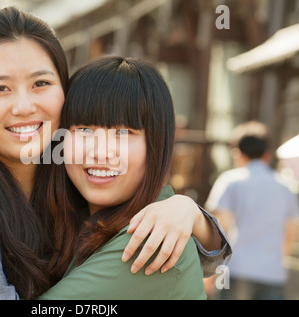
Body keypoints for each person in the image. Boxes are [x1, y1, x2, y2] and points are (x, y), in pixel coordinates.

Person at [0, 7, 229, 300]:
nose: (24, 106)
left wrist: (190, 214)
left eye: (41, 83)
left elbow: (192, 263)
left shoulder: (61, 184)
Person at [38, 56, 206, 299]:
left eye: (123, 132)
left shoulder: (148, 244)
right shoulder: (81, 220)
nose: (100, 152)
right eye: (84, 130)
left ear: (157, 144)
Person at [205, 121, 298, 300]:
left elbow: (217, 231)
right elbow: (290, 233)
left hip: (235, 270)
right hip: (273, 273)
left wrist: (210, 274)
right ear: (267, 155)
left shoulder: (230, 181)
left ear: (237, 154)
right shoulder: (285, 187)